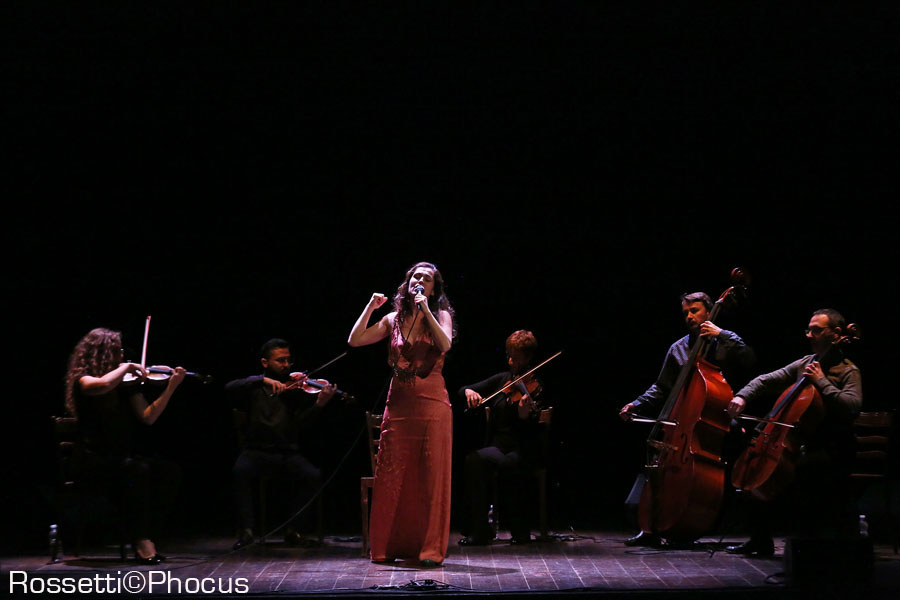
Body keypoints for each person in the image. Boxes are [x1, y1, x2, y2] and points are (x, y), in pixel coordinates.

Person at [618, 292, 755, 547]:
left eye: (695, 310)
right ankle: (649, 526)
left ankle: (734, 525)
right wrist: (635, 404)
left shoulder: (724, 340)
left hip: (721, 418)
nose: (690, 316)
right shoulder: (678, 348)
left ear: (709, 311)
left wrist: (721, 334)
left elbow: (749, 358)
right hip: (682, 421)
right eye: (686, 313)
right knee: (655, 458)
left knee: (740, 451)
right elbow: (662, 387)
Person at [724, 308, 862, 556]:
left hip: (831, 447)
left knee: (805, 472)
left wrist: (822, 381)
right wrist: (742, 396)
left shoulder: (848, 370)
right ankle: (760, 540)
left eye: (816, 330)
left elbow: (852, 406)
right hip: (801, 443)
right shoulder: (805, 363)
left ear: (836, 334)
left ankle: (810, 545)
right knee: (756, 467)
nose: (809, 335)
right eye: (808, 329)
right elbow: (766, 380)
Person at [348, 261, 455, 567]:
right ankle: (387, 546)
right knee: (392, 475)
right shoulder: (393, 319)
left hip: (433, 406)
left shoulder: (442, 315)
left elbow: (444, 344)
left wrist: (427, 312)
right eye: (415, 276)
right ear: (407, 282)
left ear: (433, 289)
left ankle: (429, 549)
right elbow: (355, 340)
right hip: (399, 407)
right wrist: (370, 307)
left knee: (430, 477)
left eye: (427, 278)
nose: (419, 280)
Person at [64, 327, 185, 565]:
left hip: (119, 459)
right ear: (102, 353)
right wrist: (127, 367)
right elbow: (98, 386)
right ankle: (140, 540)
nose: (122, 355)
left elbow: (148, 417)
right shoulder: (84, 380)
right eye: (117, 351)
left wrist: (172, 386)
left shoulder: (125, 385)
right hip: (92, 460)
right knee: (137, 471)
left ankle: (147, 535)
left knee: (169, 472)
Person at [227, 338, 336, 550]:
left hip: (287, 452)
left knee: (313, 475)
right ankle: (247, 532)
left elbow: (302, 425)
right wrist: (262, 380)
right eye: (280, 360)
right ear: (265, 362)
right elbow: (229, 387)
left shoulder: (295, 390)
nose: (286, 365)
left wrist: (320, 405)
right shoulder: (254, 387)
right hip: (256, 451)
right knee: (239, 472)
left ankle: (293, 530)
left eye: (288, 360)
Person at [457, 330, 548, 546]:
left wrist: (525, 415)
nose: (510, 360)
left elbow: (535, 428)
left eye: (515, 357)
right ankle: (481, 530)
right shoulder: (502, 380)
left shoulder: (538, 387)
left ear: (527, 358)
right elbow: (463, 389)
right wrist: (469, 392)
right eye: (509, 355)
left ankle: (520, 529)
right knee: (474, 460)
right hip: (499, 447)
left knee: (511, 464)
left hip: (524, 449)